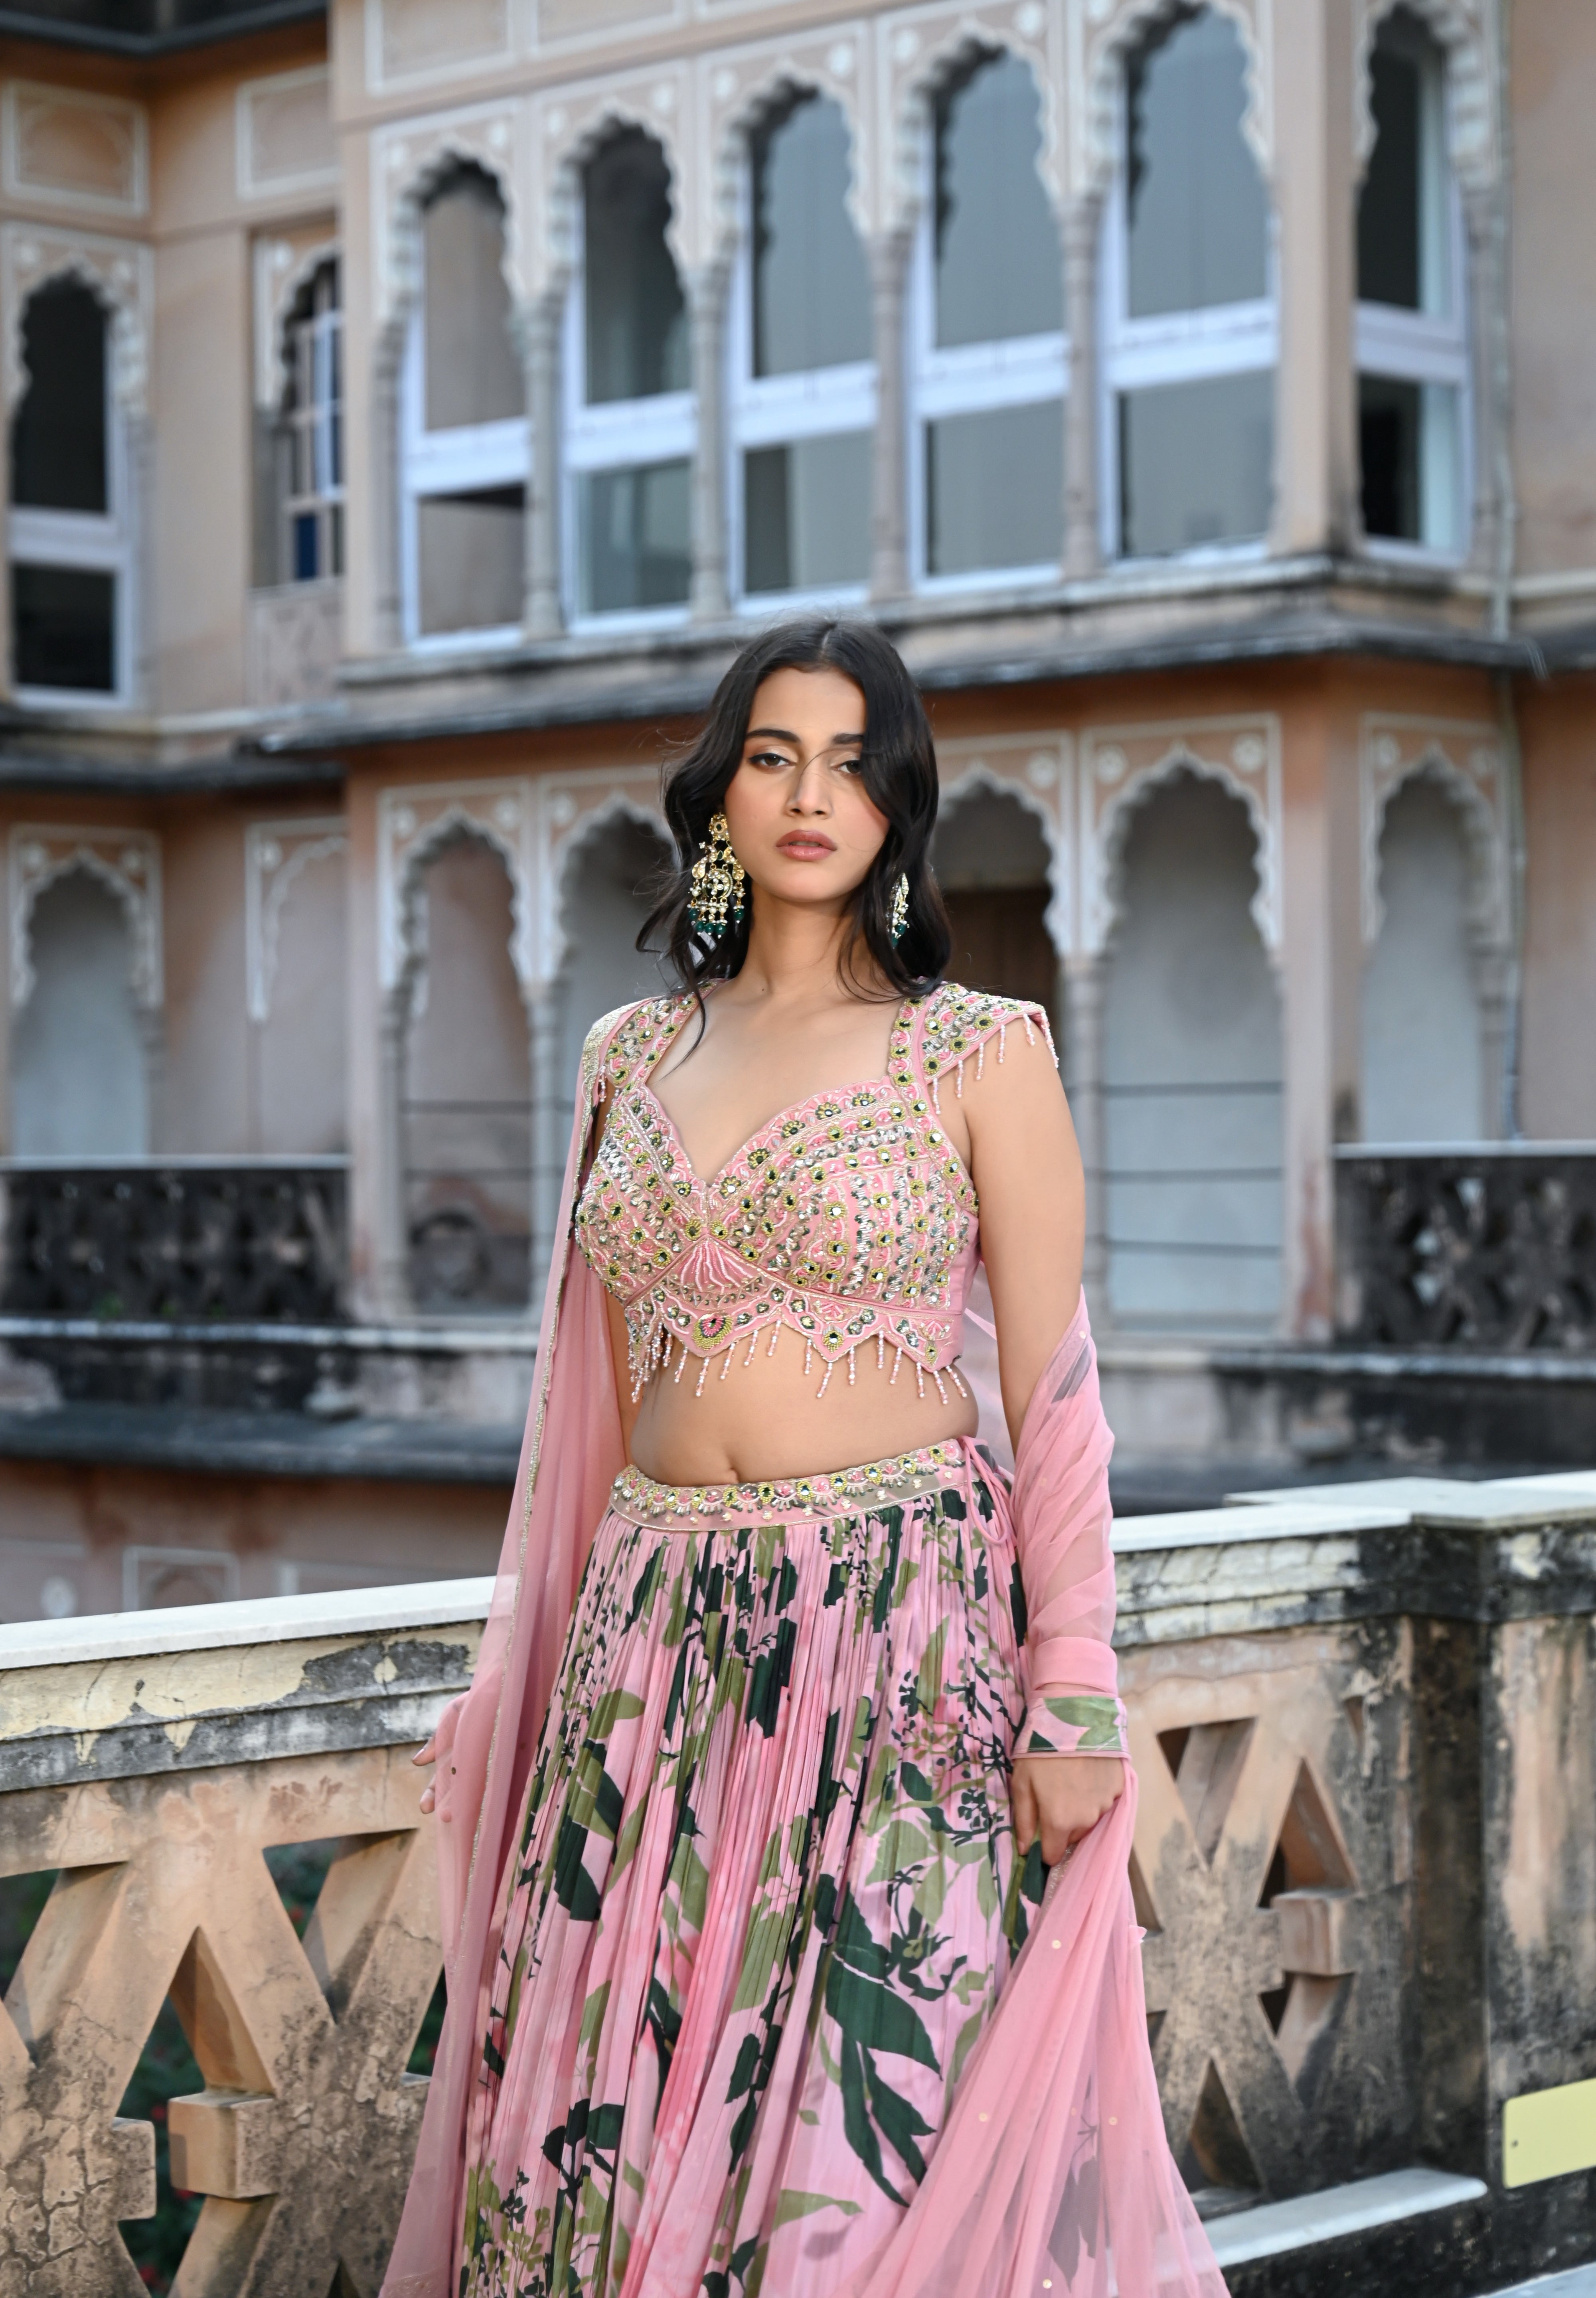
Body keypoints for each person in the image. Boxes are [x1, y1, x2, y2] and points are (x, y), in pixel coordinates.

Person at [383, 619, 1225, 2298]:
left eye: (851, 762)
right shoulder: (629, 1056)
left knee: (853, 2165)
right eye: (774, 755)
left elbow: (1055, 1397)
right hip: (649, 1663)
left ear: (898, 810)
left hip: (892, 1651)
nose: (809, 793)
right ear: (719, 796)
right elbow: (591, 1413)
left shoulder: (980, 1052)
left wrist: (1073, 1693)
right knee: (599, 2150)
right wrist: (535, 1673)